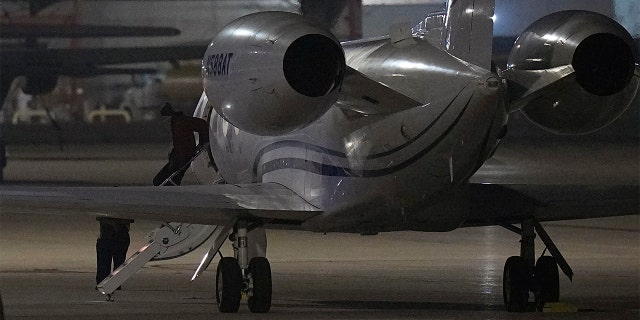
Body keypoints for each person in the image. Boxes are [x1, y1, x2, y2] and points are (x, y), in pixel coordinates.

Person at [153, 103, 209, 186]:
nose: (164, 120)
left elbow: (202, 124)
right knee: (162, 179)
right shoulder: (174, 123)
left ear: (169, 115)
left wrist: (203, 142)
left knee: (172, 178)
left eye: (165, 118)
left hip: (184, 156)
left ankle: (169, 191)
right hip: (177, 156)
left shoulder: (182, 121)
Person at [96, 217, 134, 286]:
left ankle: (103, 282)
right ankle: (115, 283)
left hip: (109, 232)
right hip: (119, 232)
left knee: (104, 261)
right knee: (118, 262)